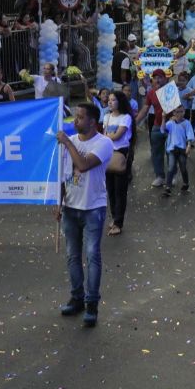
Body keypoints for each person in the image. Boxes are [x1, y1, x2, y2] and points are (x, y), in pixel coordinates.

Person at [55, 102, 114, 327]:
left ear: (92, 121)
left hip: (93, 208)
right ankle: (77, 297)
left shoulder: (104, 143)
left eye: (80, 117)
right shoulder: (69, 143)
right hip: (71, 207)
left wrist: (68, 142)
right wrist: (58, 202)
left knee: (92, 255)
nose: (75, 121)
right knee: (72, 255)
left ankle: (92, 304)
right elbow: (63, 175)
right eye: (75, 117)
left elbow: (83, 165)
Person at [103, 91, 133, 237]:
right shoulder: (106, 117)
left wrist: (107, 137)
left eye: (113, 100)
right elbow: (106, 136)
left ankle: (118, 223)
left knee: (120, 191)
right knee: (110, 190)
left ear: (120, 101)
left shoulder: (126, 118)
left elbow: (117, 136)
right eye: (109, 100)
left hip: (120, 154)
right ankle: (115, 217)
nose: (110, 102)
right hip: (108, 155)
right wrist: (108, 137)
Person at [134, 69, 168, 187]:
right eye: (155, 77)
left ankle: (172, 175)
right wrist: (134, 123)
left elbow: (177, 111)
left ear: (165, 79)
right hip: (157, 126)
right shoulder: (151, 92)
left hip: (171, 127)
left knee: (172, 153)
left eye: (160, 77)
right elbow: (145, 109)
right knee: (156, 152)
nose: (157, 79)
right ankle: (160, 176)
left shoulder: (170, 90)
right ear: (152, 80)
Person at [162, 106, 195, 196]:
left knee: (183, 167)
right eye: (177, 112)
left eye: (181, 112)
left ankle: (186, 183)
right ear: (173, 113)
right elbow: (163, 129)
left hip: (182, 149)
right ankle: (167, 187)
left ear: (184, 112)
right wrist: (163, 118)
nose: (179, 114)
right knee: (171, 167)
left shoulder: (186, 123)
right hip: (172, 149)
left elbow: (190, 135)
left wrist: (188, 145)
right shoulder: (171, 123)